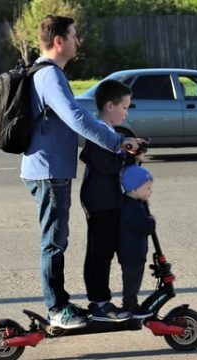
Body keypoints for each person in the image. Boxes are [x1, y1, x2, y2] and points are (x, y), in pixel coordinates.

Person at [20, 15, 140, 329]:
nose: (78, 41)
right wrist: (117, 142)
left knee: (57, 239)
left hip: (49, 169)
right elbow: (75, 117)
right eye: (73, 36)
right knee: (54, 242)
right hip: (47, 171)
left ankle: (59, 303)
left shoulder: (47, 74)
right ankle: (56, 309)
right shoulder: (49, 76)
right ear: (58, 41)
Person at [79, 79, 134, 322]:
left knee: (103, 251)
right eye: (125, 107)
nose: (127, 112)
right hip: (101, 202)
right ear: (110, 106)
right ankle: (100, 301)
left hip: (106, 200)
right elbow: (103, 163)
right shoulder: (99, 132)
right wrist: (125, 155)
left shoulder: (110, 132)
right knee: (100, 252)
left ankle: (99, 299)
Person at [119, 164, 156, 319]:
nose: (150, 191)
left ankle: (130, 302)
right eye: (147, 189)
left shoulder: (132, 203)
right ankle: (130, 305)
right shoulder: (132, 208)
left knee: (132, 280)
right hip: (132, 254)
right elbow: (144, 227)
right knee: (132, 282)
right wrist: (152, 221)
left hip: (131, 251)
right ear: (134, 190)